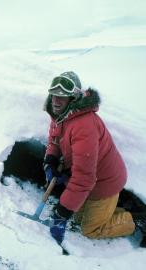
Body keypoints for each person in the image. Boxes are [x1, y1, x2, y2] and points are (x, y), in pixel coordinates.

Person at [43, 71, 146, 247]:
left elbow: (84, 178)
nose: (56, 100)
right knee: (77, 217)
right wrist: (51, 159)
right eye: (54, 95)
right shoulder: (61, 114)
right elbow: (55, 139)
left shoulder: (84, 125)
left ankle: (137, 221)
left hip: (105, 182)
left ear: (73, 98)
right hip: (88, 180)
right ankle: (106, 212)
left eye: (62, 96)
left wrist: (61, 213)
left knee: (89, 229)